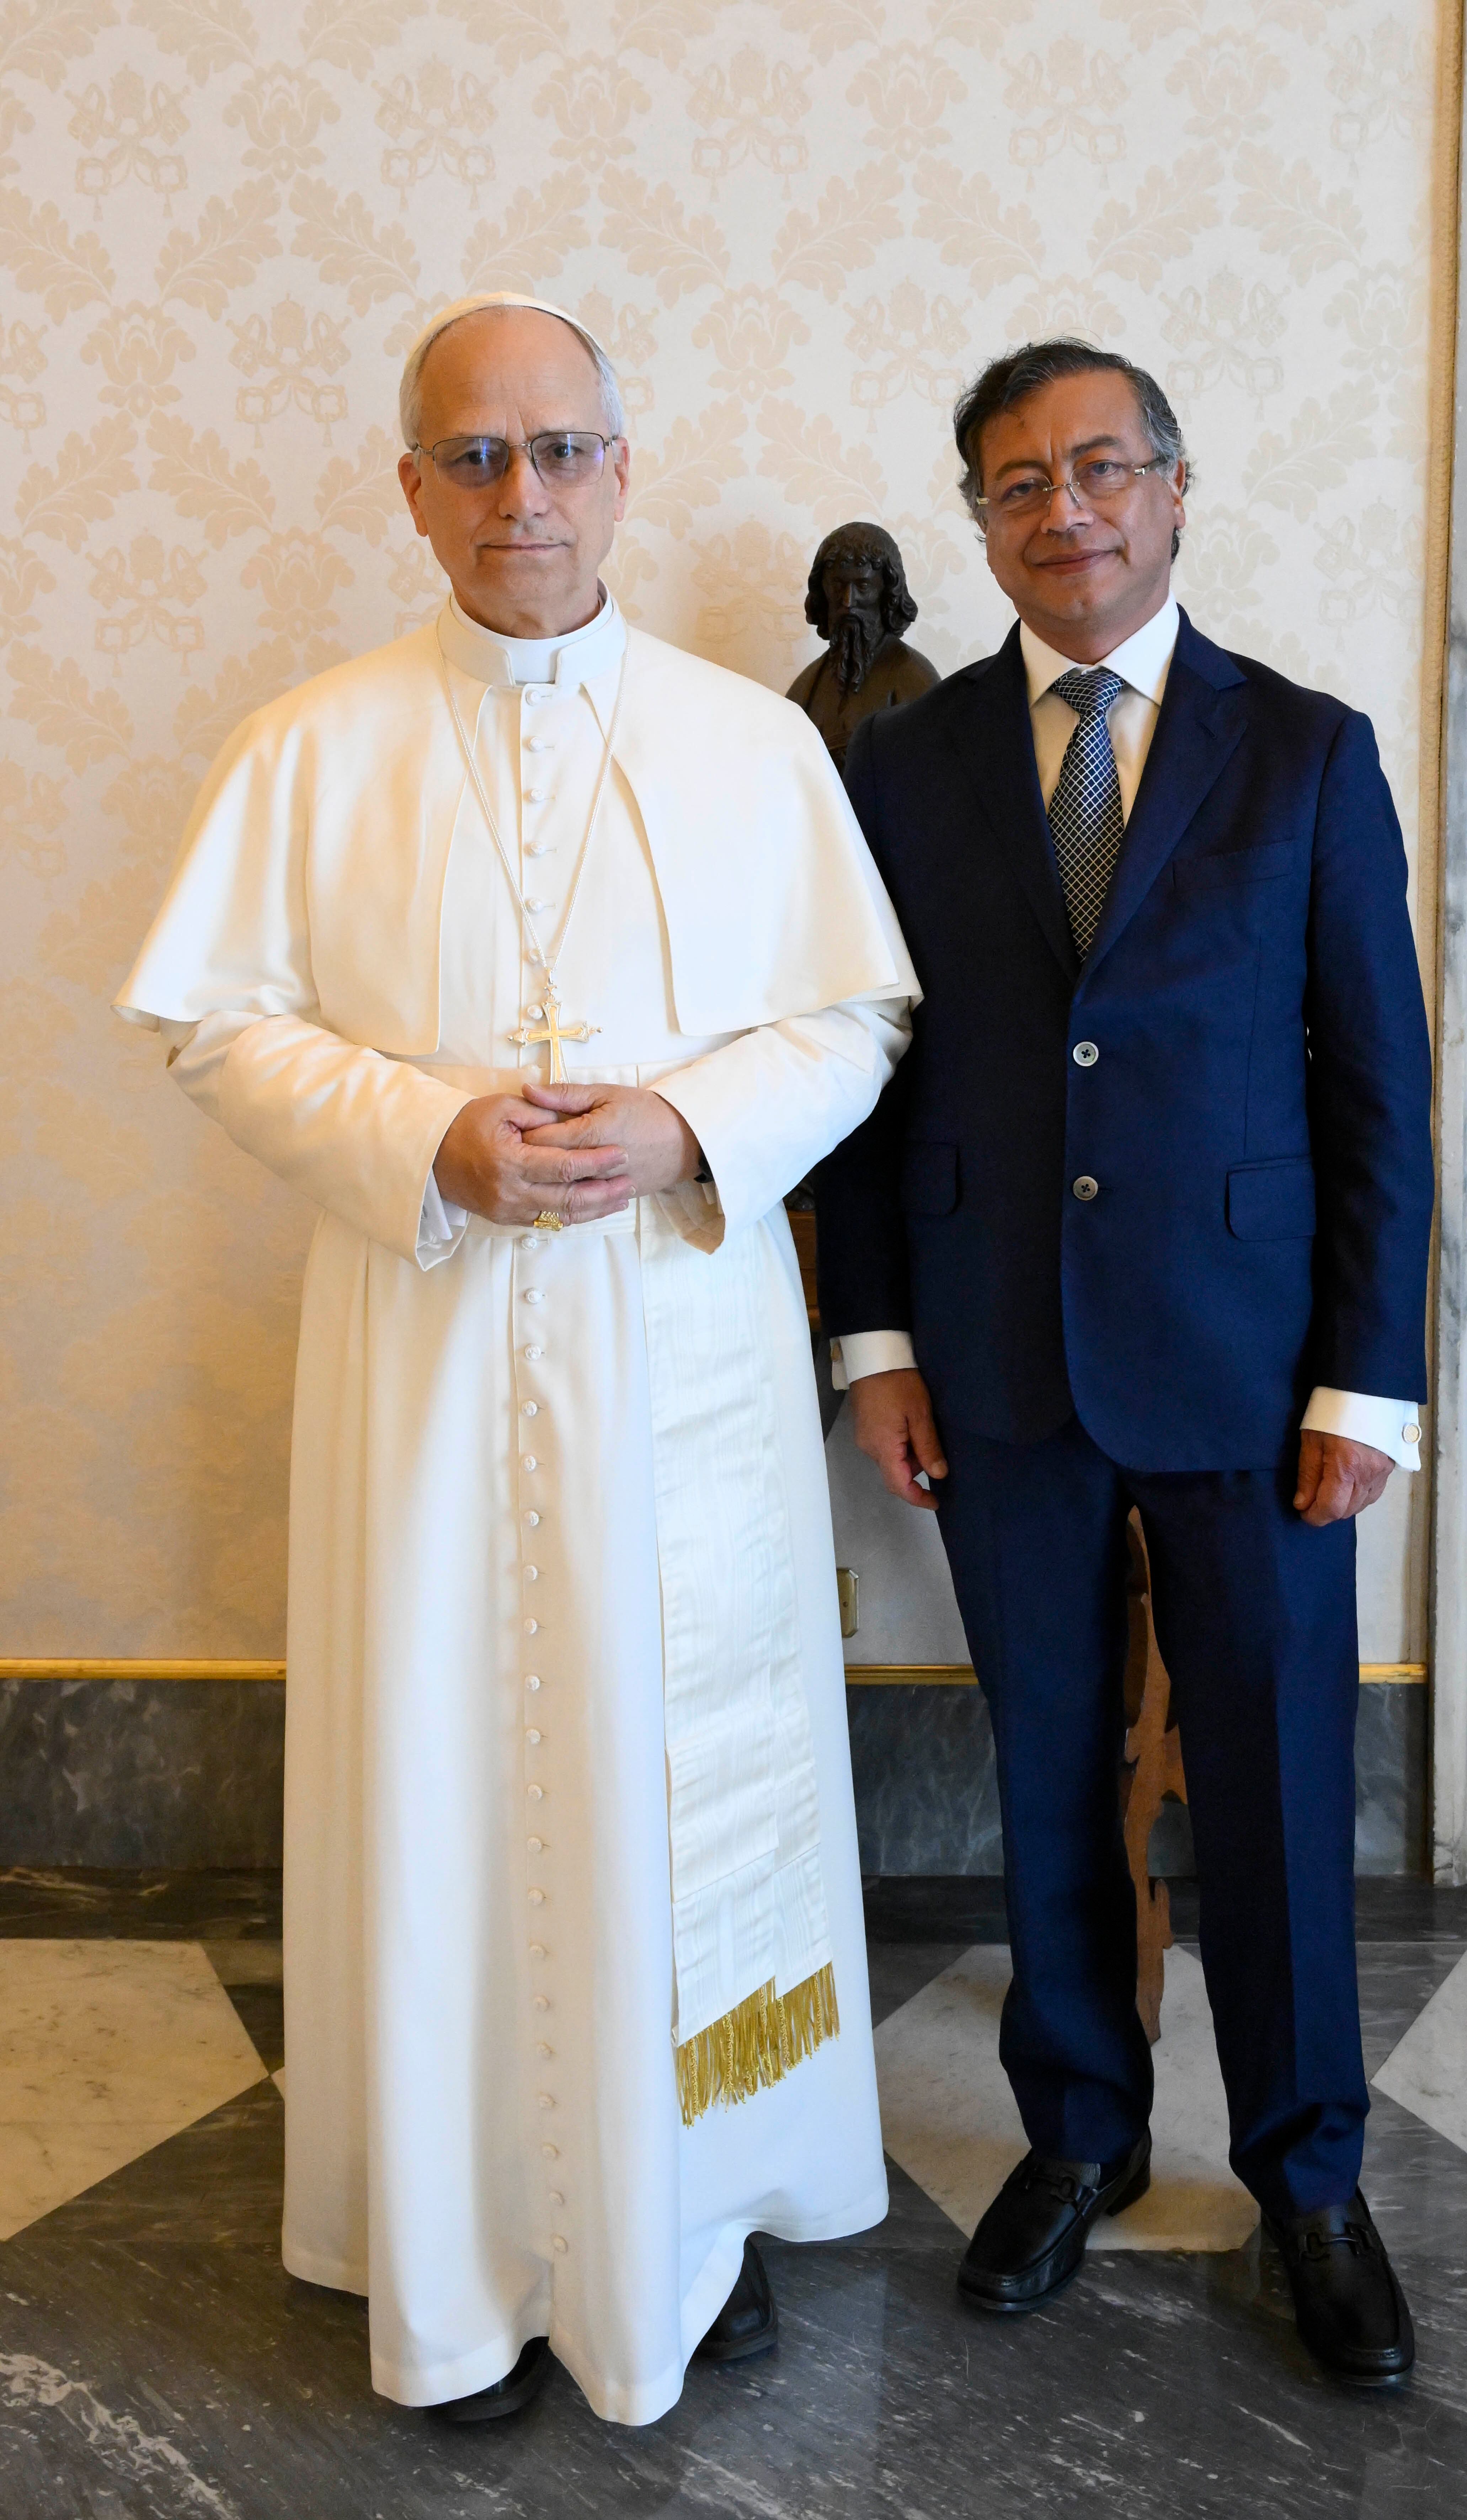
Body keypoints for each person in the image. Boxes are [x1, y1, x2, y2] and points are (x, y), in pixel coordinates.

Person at [116, 292, 917, 2427]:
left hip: (679, 1338)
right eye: (473, 457)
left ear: (622, 471)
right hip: (436, 1336)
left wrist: (687, 1126)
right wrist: (423, 1132)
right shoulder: (310, 742)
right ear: (408, 488)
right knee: (452, 1767)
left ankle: (705, 2196)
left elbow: (848, 1021)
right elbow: (214, 1017)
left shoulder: (753, 746)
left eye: (559, 449)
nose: (521, 494)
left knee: (687, 1772)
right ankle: (450, 2241)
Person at [815, 339, 1434, 2385]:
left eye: (1097, 468)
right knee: (1046, 1764)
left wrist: (1366, 1376)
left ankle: (1306, 2175)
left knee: (1268, 1780)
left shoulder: (1306, 750)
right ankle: (1074, 2130)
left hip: (1255, 1377)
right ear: (975, 517)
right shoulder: (903, 768)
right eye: (1013, 483)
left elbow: (1374, 1090)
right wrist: (877, 1339)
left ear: (1172, 488)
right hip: (994, 1362)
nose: (1060, 511)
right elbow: (877, 1089)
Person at [786, 521, 940, 771]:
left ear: (887, 592)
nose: (848, 602)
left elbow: (933, 777)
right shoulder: (806, 688)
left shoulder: (914, 679)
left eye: (863, 586)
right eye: (838, 586)